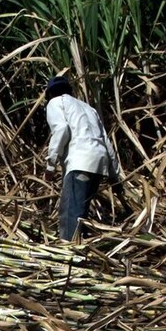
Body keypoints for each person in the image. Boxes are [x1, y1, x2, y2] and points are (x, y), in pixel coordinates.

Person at [44, 75, 123, 240]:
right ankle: (83, 252)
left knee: (70, 213)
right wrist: (115, 175)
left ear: (50, 94)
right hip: (99, 162)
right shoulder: (88, 108)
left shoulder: (55, 102)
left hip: (80, 161)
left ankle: (68, 254)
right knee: (81, 213)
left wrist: (51, 164)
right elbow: (106, 142)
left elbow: (61, 129)